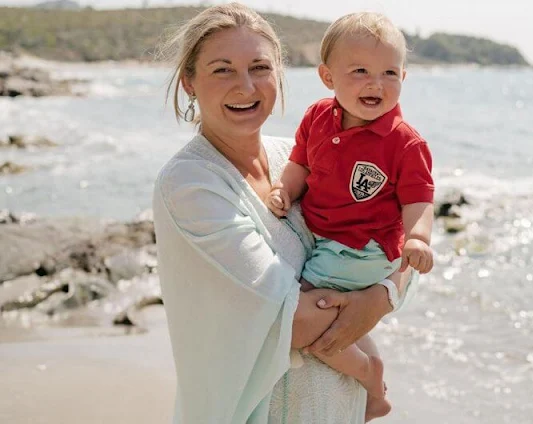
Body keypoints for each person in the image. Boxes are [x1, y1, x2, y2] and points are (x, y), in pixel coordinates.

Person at [152, 4, 413, 423]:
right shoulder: (191, 186)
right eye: (222, 70)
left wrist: (383, 296)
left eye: (260, 67)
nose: (246, 86)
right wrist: (372, 302)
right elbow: (290, 321)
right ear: (189, 82)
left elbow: (399, 238)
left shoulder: (298, 157)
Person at [266, 11, 435, 414]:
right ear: (328, 77)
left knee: (301, 323)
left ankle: (366, 376)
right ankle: (376, 391)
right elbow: (300, 164)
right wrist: (283, 189)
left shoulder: (403, 143)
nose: (376, 83)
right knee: (342, 320)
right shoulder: (317, 117)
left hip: (364, 248)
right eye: (360, 70)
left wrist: (418, 238)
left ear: (404, 78)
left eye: (389, 73)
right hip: (329, 241)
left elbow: (419, 199)